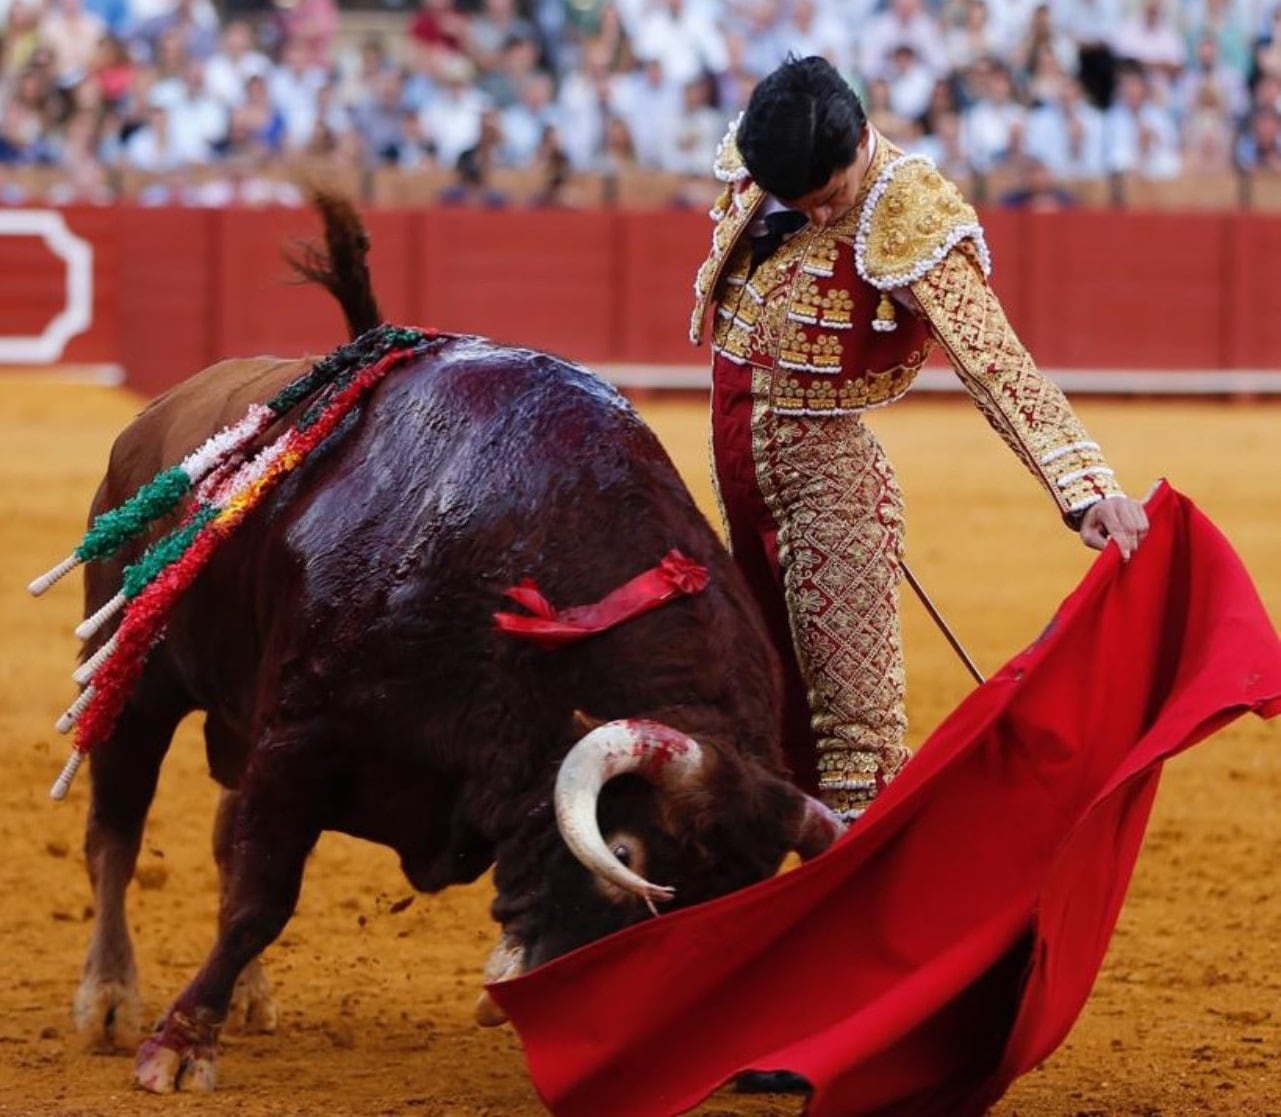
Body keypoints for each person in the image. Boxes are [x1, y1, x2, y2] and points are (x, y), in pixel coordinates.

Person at [690, 55, 1149, 829]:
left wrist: (1085, 487)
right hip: (738, 465)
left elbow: (994, 360)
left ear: (861, 139)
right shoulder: (766, 152)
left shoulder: (907, 210)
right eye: (800, 204)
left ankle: (869, 925)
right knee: (761, 707)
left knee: (853, 745)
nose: (823, 217)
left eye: (831, 196)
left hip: (827, 486)